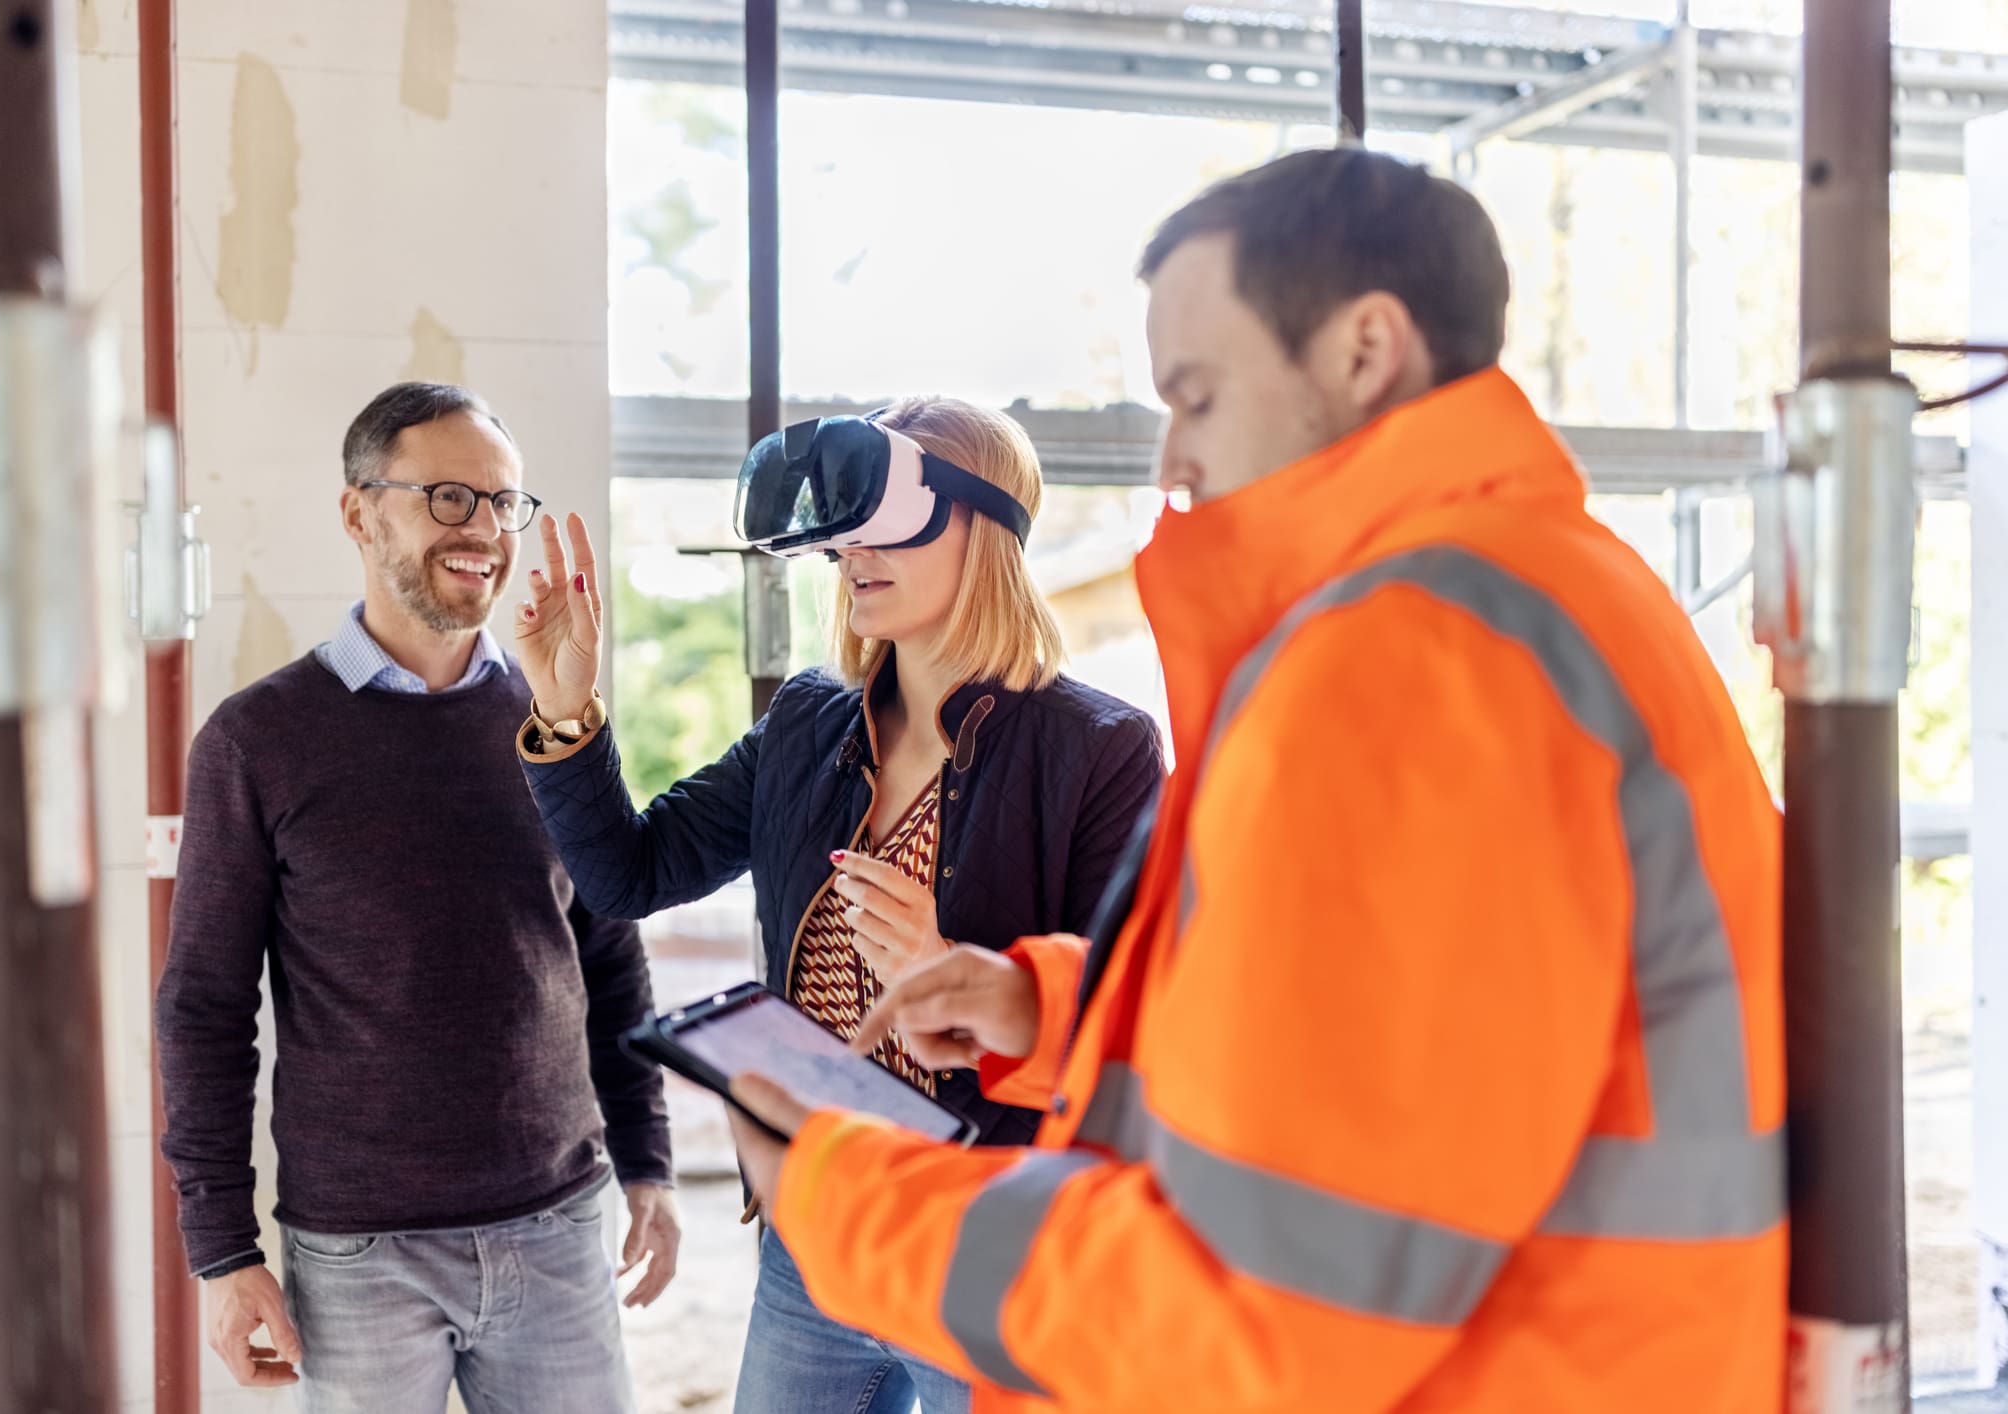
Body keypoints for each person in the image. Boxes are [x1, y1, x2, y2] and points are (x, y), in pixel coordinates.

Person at [722, 147, 1787, 1413]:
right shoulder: (1545, 593)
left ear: (1363, 349)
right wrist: (1051, 1012)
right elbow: (1417, 1045)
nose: (1169, 458)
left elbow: (1258, 1305)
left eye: (1197, 395)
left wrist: (838, 1191)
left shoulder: (1405, 658)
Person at [512, 395, 1166, 1414]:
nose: (852, 550)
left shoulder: (1100, 749)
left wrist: (956, 969)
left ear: (985, 526)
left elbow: (1130, 1028)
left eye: (886, 517)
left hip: (982, 1247)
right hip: (813, 1234)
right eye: (842, 525)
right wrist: (565, 711)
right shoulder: (806, 721)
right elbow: (628, 874)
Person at [156, 382, 680, 1414]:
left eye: (503, 502)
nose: (484, 528)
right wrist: (222, 1251)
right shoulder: (256, 741)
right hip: (360, 1254)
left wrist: (648, 1161)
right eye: (448, 497)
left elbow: (608, 954)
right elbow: (204, 1007)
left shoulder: (554, 718)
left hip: (558, 1225)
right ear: (359, 513)